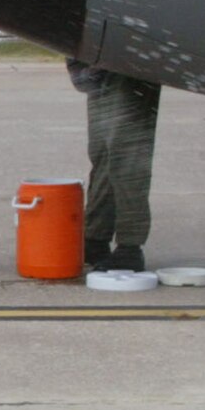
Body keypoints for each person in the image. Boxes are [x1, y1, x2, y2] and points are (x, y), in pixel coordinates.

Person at [66, 60, 161, 271]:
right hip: (98, 66)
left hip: (129, 63)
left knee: (127, 157)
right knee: (102, 155)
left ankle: (130, 247)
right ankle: (95, 239)